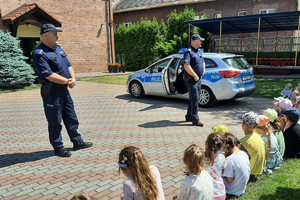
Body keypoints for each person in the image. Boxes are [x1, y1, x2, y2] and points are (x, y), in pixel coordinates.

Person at [32, 24, 92, 157]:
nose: (57, 36)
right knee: (55, 121)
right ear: (46, 36)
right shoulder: (39, 53)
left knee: (71, 117)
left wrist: (73, 78)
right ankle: (58, 147)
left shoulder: (58, 49)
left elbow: (68, 65)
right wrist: (67, 81)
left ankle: (77, 142)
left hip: (64, 90)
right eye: (55, 34)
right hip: (52, 93)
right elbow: (48, 74)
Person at [183, 34, 206, 126]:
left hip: (198, 79)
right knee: (195, 98)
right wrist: (195, 76)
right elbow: (186, 66)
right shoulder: (188, 52)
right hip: (192, 80)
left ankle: (189, 116)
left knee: (193, 98)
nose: (201, 42)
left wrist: (203, 71)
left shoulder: (198, 51)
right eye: (200, 41)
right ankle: (195, 119)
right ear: (195, 41)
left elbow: (203, 62)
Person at [222, 133, 250, 199]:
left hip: (232, 190)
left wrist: (222, 172)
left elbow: (229, 180)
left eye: (222, 148)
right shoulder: (244, 153)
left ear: (227, 146)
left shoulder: (229, 160)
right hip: (241, 188)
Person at [240, 112, 266, 177]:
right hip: (259, 170)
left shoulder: (243, 141)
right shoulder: (258, 137)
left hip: (250, 172)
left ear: (243, 124)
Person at [204, 133, 226, 200]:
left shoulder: (201, 158)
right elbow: (222, 172)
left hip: (208, 195)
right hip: (221, 194)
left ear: (206, 143)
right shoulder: (222, 157)